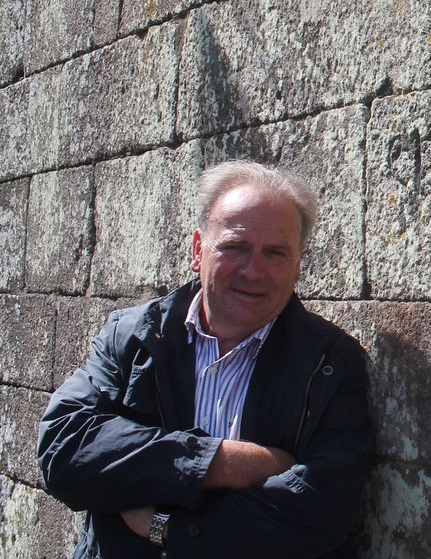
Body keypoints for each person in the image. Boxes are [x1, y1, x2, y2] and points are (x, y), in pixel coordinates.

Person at [38, 160, 373, 558]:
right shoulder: (135, 336)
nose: (253, 271)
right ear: (198, 250)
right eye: (235, 247)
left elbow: (321, 510)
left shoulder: (330, 363)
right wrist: (222, 463)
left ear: (298, 267)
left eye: (276, 253)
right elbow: (64, 448)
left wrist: (165, 527)